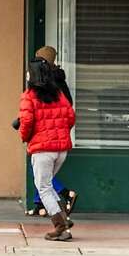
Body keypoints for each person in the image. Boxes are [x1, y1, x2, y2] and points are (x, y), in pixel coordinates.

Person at [18, 57, 76, 241]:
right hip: (61, 150)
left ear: (32, 75)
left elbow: (26, 122)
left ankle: (60, 227)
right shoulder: (58, 93)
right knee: (48, 185)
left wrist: (24, 137)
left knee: (42, 187)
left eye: (28, 72)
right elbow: (71, 117)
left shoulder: (29, 96)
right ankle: (64, 219)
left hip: (42, 149)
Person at [33, 45, 77, 215]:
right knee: (43, 173)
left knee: (41, 174)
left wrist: (26, 133)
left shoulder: (43, 81)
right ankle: (40, 205)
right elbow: (70, 112)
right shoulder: (60, 80)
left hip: (44, 134)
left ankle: (64, 197)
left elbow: (30, 112)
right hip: (60, 135)